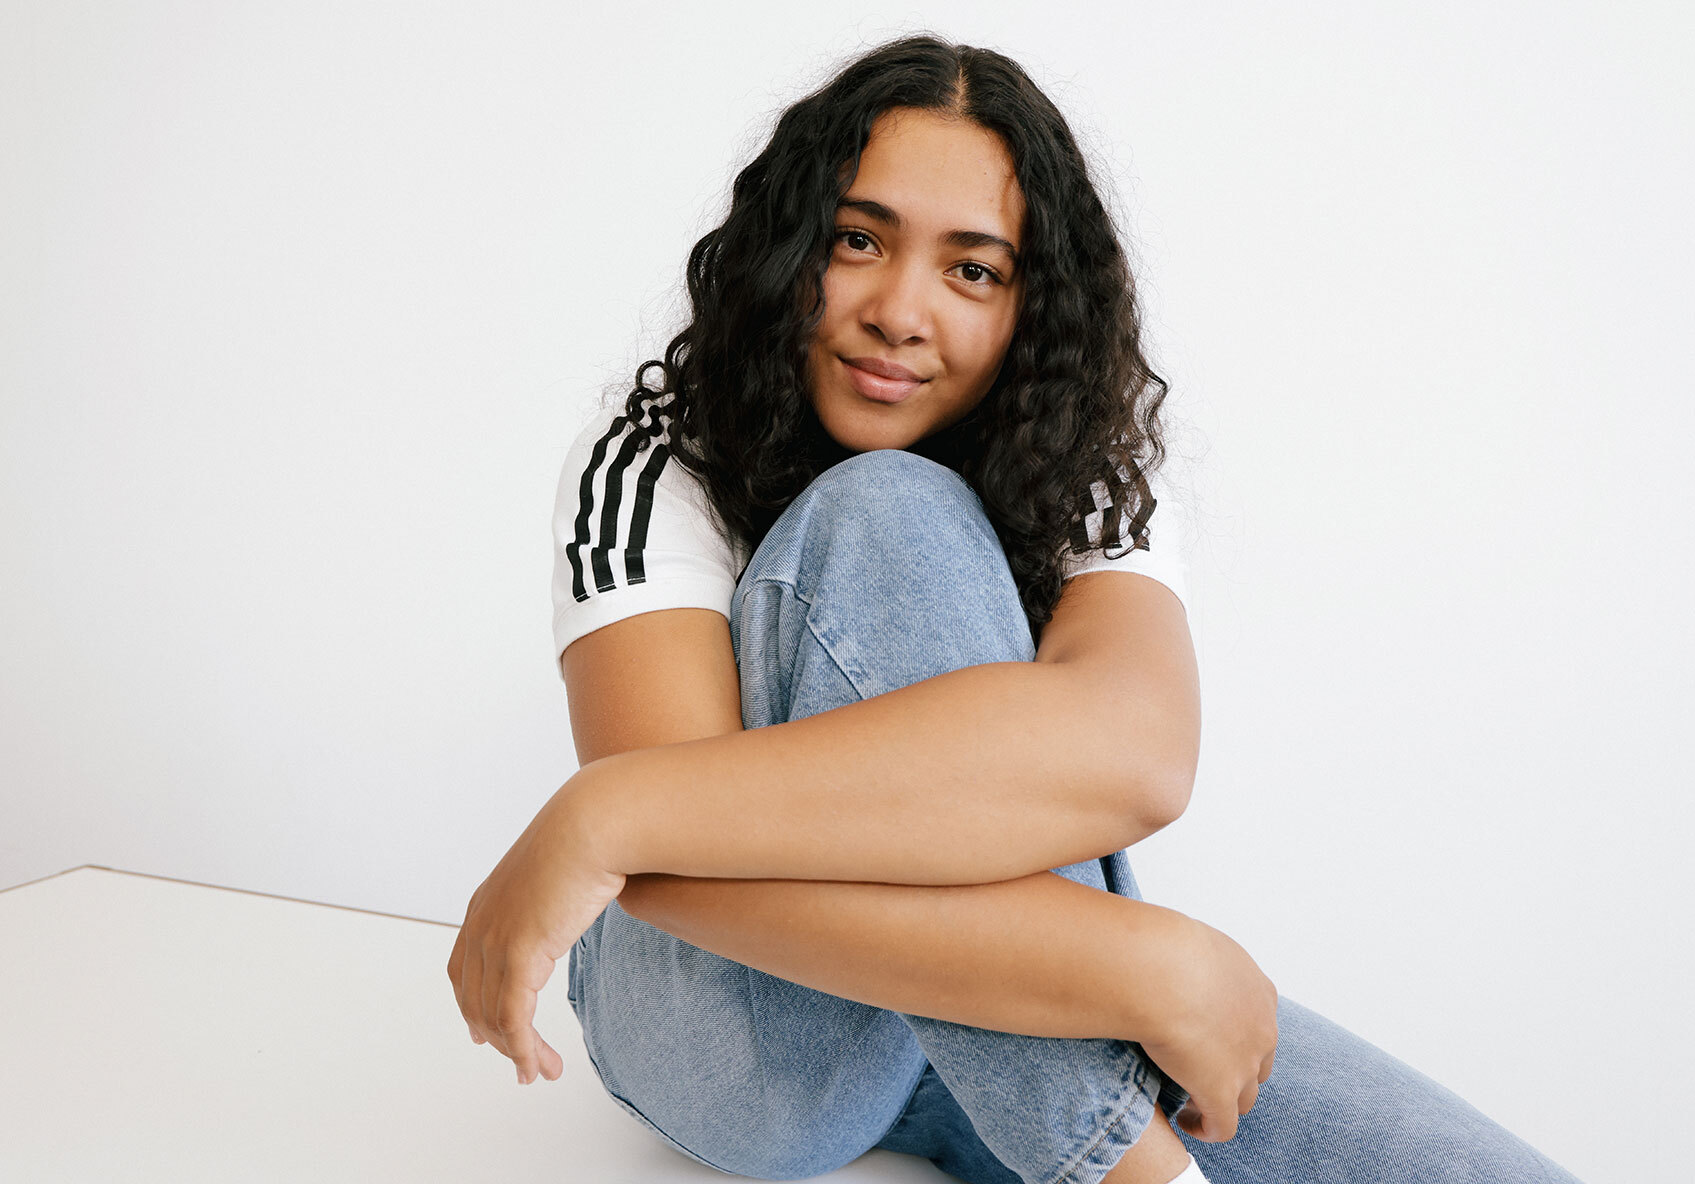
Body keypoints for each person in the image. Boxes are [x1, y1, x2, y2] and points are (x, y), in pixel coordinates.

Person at [448, 33, 1585, 1184]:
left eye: (973, 270)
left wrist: (602, 811)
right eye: (857, 240)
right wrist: (1140, 965)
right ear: (788, 247)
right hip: (742, 1040)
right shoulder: (658, 459)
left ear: (1030, 304)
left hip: (1009, 1001)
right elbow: (669, 872)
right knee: (890, 509)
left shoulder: (1085, 463)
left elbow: (1137, 758)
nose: (900, 311)